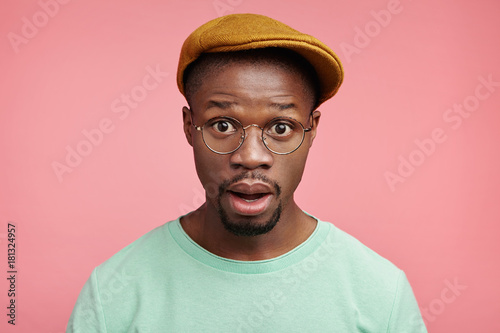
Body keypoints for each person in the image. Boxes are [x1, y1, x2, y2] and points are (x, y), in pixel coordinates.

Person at [67, 13, 427, 332]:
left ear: (311, 129)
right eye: (222, 125)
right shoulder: (114, 292)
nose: (251, 157)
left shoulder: (380, 292)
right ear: (189, 125)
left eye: (281, 128)